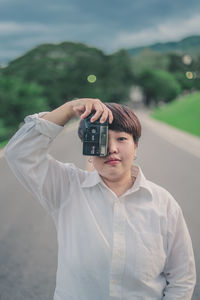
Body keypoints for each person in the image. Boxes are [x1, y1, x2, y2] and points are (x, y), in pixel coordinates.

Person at [5, 98, 196, 300]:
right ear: (88, 148)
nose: (111, 148)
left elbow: (182, 278)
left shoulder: (163, 203)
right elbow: (19, 152)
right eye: (101, 138)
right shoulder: (67, 188)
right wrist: (70, 108)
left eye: (121, 139)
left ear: (135, 147)